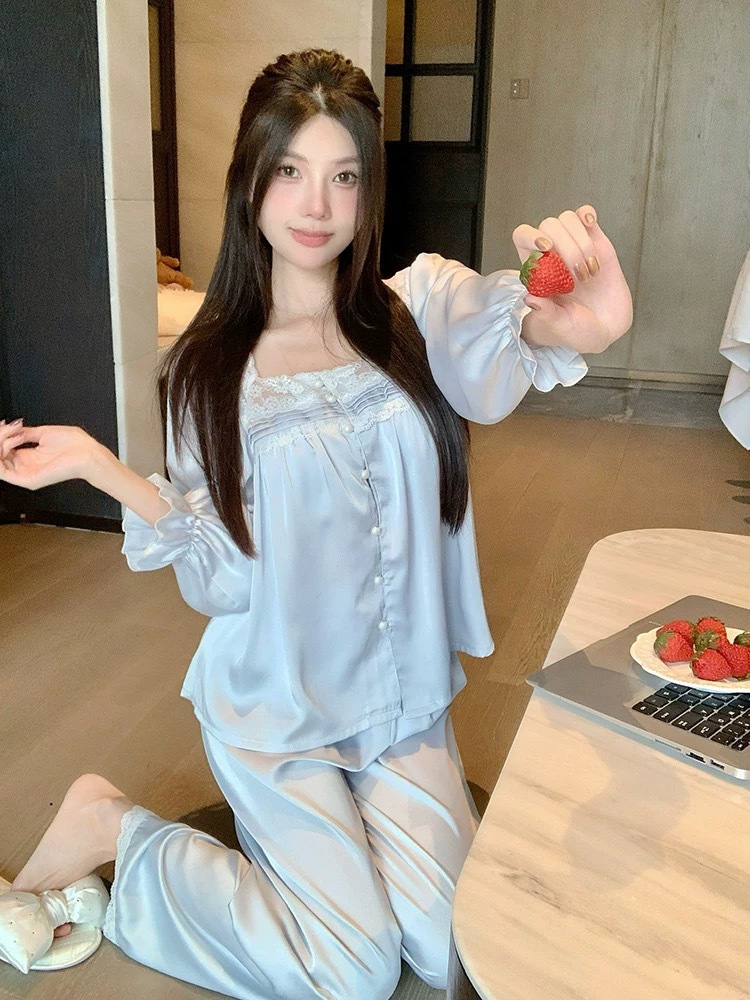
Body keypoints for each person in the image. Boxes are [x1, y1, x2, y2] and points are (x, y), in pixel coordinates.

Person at [0, 48, 632, 1000]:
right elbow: (224, 582)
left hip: (400, 704)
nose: (316, 204)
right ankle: (115, 830)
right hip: (279, 709)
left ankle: (347, 858)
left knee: (453, 950)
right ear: (250, 180)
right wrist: (104, 470)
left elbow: (524, 333)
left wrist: (584, 322)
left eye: (343, 176)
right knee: (355, 970)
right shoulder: (210, 372)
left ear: (367, 191)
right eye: (290, 170)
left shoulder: (416, 311)